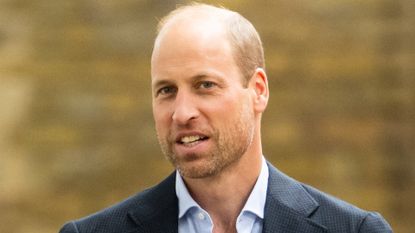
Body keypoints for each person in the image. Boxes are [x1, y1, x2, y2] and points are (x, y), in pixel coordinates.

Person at [59, 3, 392, 233]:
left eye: (205, 85)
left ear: (258, 91)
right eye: (166, 90)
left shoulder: (353, 229)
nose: (182, 112)